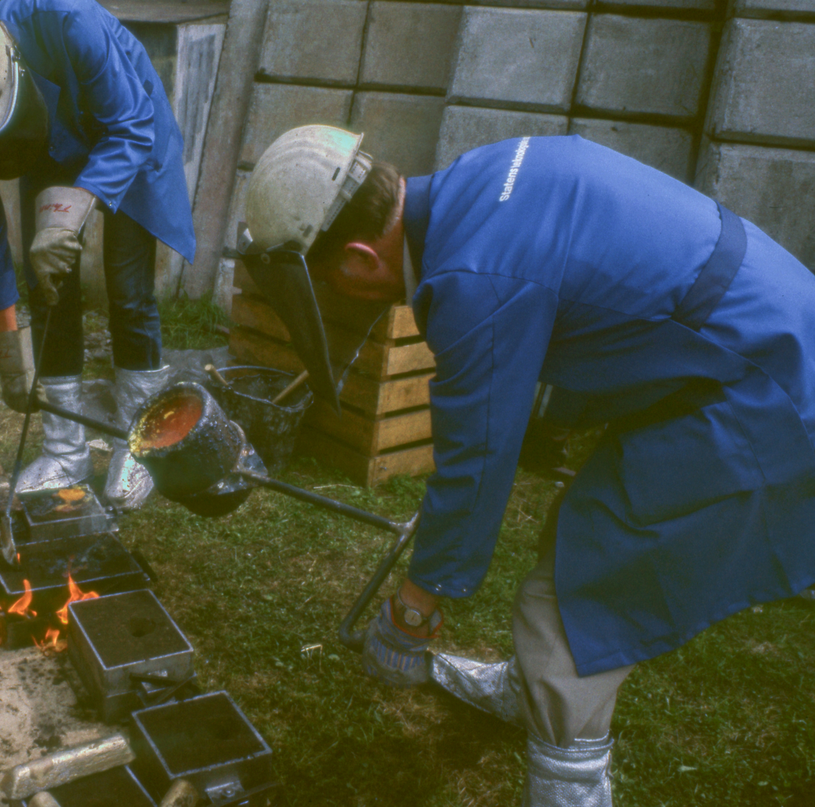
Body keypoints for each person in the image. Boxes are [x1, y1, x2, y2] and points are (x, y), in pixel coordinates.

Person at [239, 125, 815, 805]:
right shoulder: (479, 180)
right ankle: (529, 689)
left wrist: (415, 609)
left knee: (572, 602)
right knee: (583, 521)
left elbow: (475, 461)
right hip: (765, 332)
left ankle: (570, 771)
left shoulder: (472, 278)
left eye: (333, 278)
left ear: (363, 258)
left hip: (766, 388)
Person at [0, 1, 195, 510]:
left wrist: (66, 218)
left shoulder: (69, 19)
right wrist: (8, 348)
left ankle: (137, 447)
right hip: (48, 144)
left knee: (129, 294)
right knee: (47, 291)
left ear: (10, 59)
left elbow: (131, 125)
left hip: (127, 131)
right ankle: (66, 452)